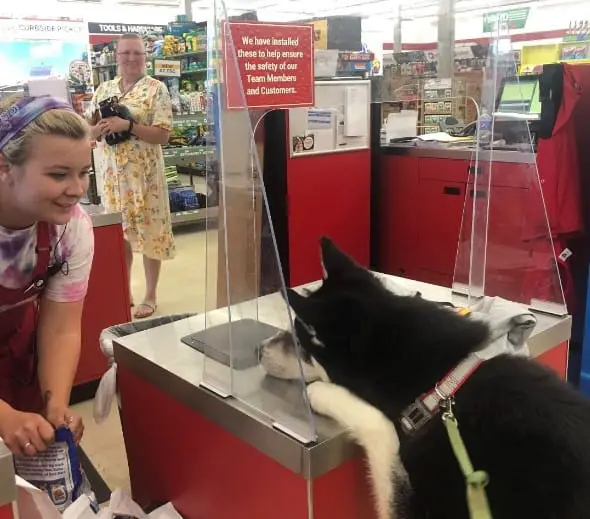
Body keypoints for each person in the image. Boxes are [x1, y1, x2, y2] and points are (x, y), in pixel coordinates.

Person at [0, 94, 94, 456]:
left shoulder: (70, 230)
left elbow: (61, 327)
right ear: (5, 166)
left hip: (19, 363)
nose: (76, 190)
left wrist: (55, 404)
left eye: (84, 172)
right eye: (58, 175)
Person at [87, 33, 175, 319]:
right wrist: (97, 131)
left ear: (145, 56)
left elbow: (162, 135)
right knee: (119, 237)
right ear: (117, 56)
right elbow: (90, 125)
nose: (131, 58)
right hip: (113, 179)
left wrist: (128, 124)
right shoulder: (104, 89)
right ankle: (124, 291)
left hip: (146, 178)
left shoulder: (156, 89)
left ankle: (150, 296)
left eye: (137, 53)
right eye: (125, 53)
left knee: (151, 233)